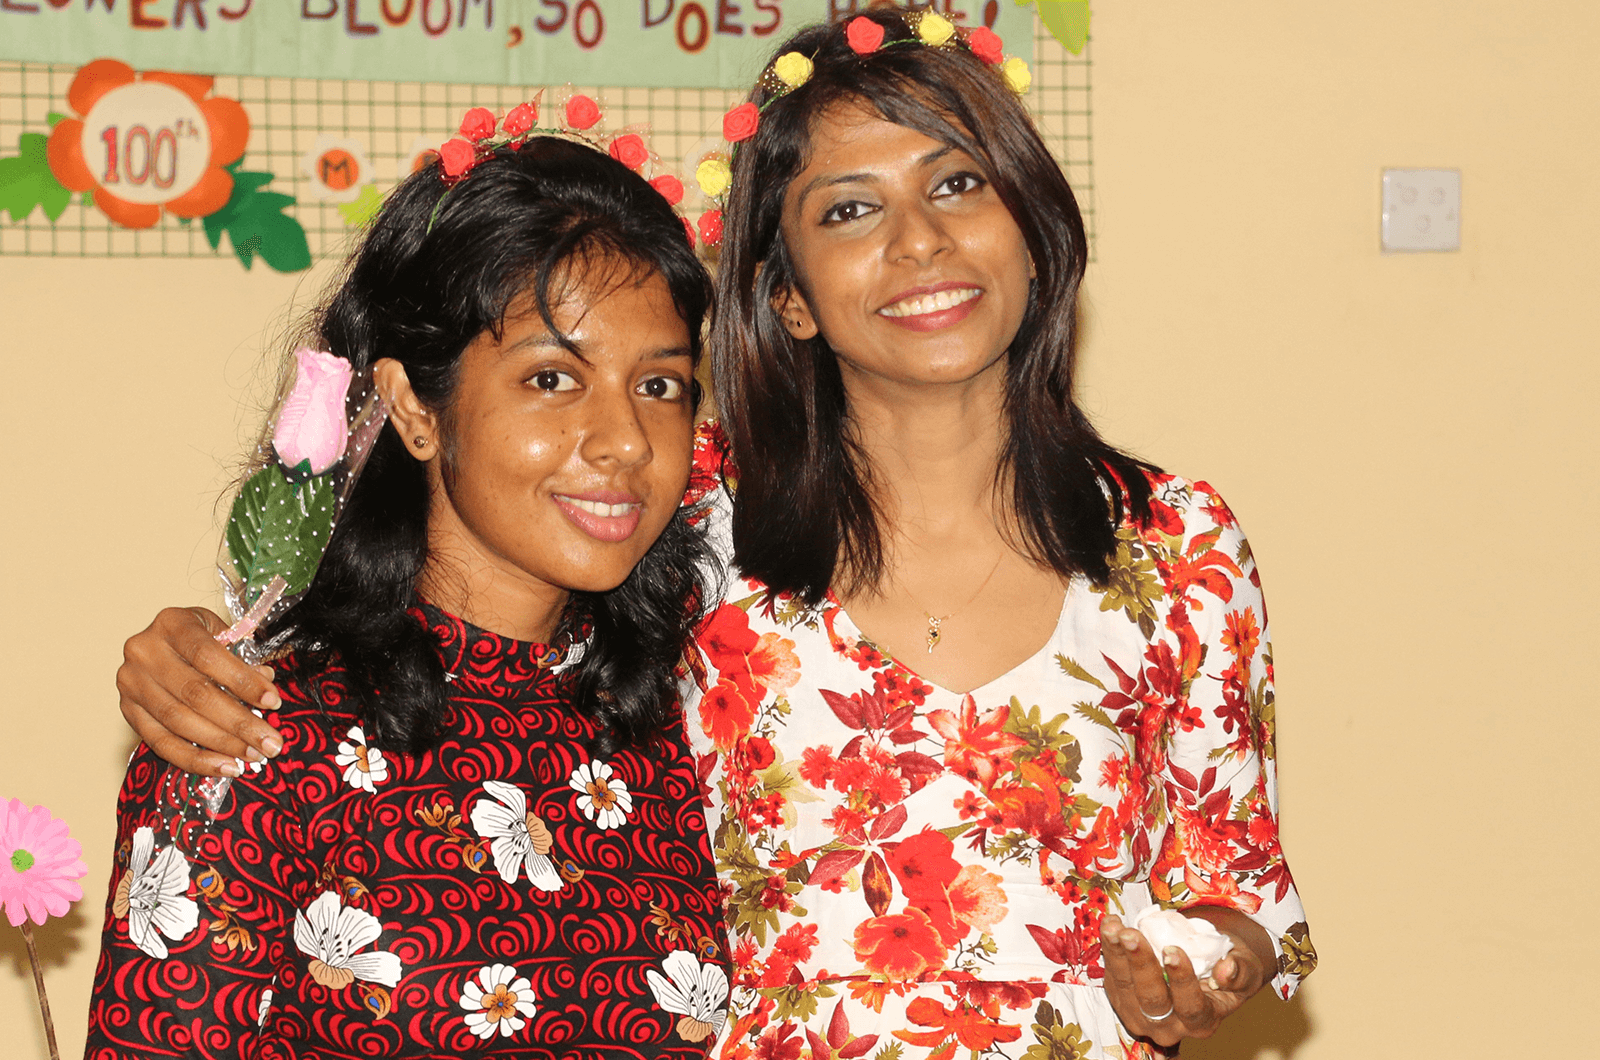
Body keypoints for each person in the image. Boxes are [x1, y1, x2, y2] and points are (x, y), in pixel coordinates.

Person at [114, 8, 1317, 1058]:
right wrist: (201, 650)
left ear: (1035, 220)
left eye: (958, 182)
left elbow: (1239, 880)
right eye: (851, 209)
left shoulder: (1179, 546)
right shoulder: (703, 519)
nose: (920, 243)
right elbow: (466, 514)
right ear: (783, 292)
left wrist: (1209, 957)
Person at [86, 133, 733, 1058]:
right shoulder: (249, 736)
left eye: (661, 384)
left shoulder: (677, 730)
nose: (625, 439)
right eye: (553, 379)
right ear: (416, 407)